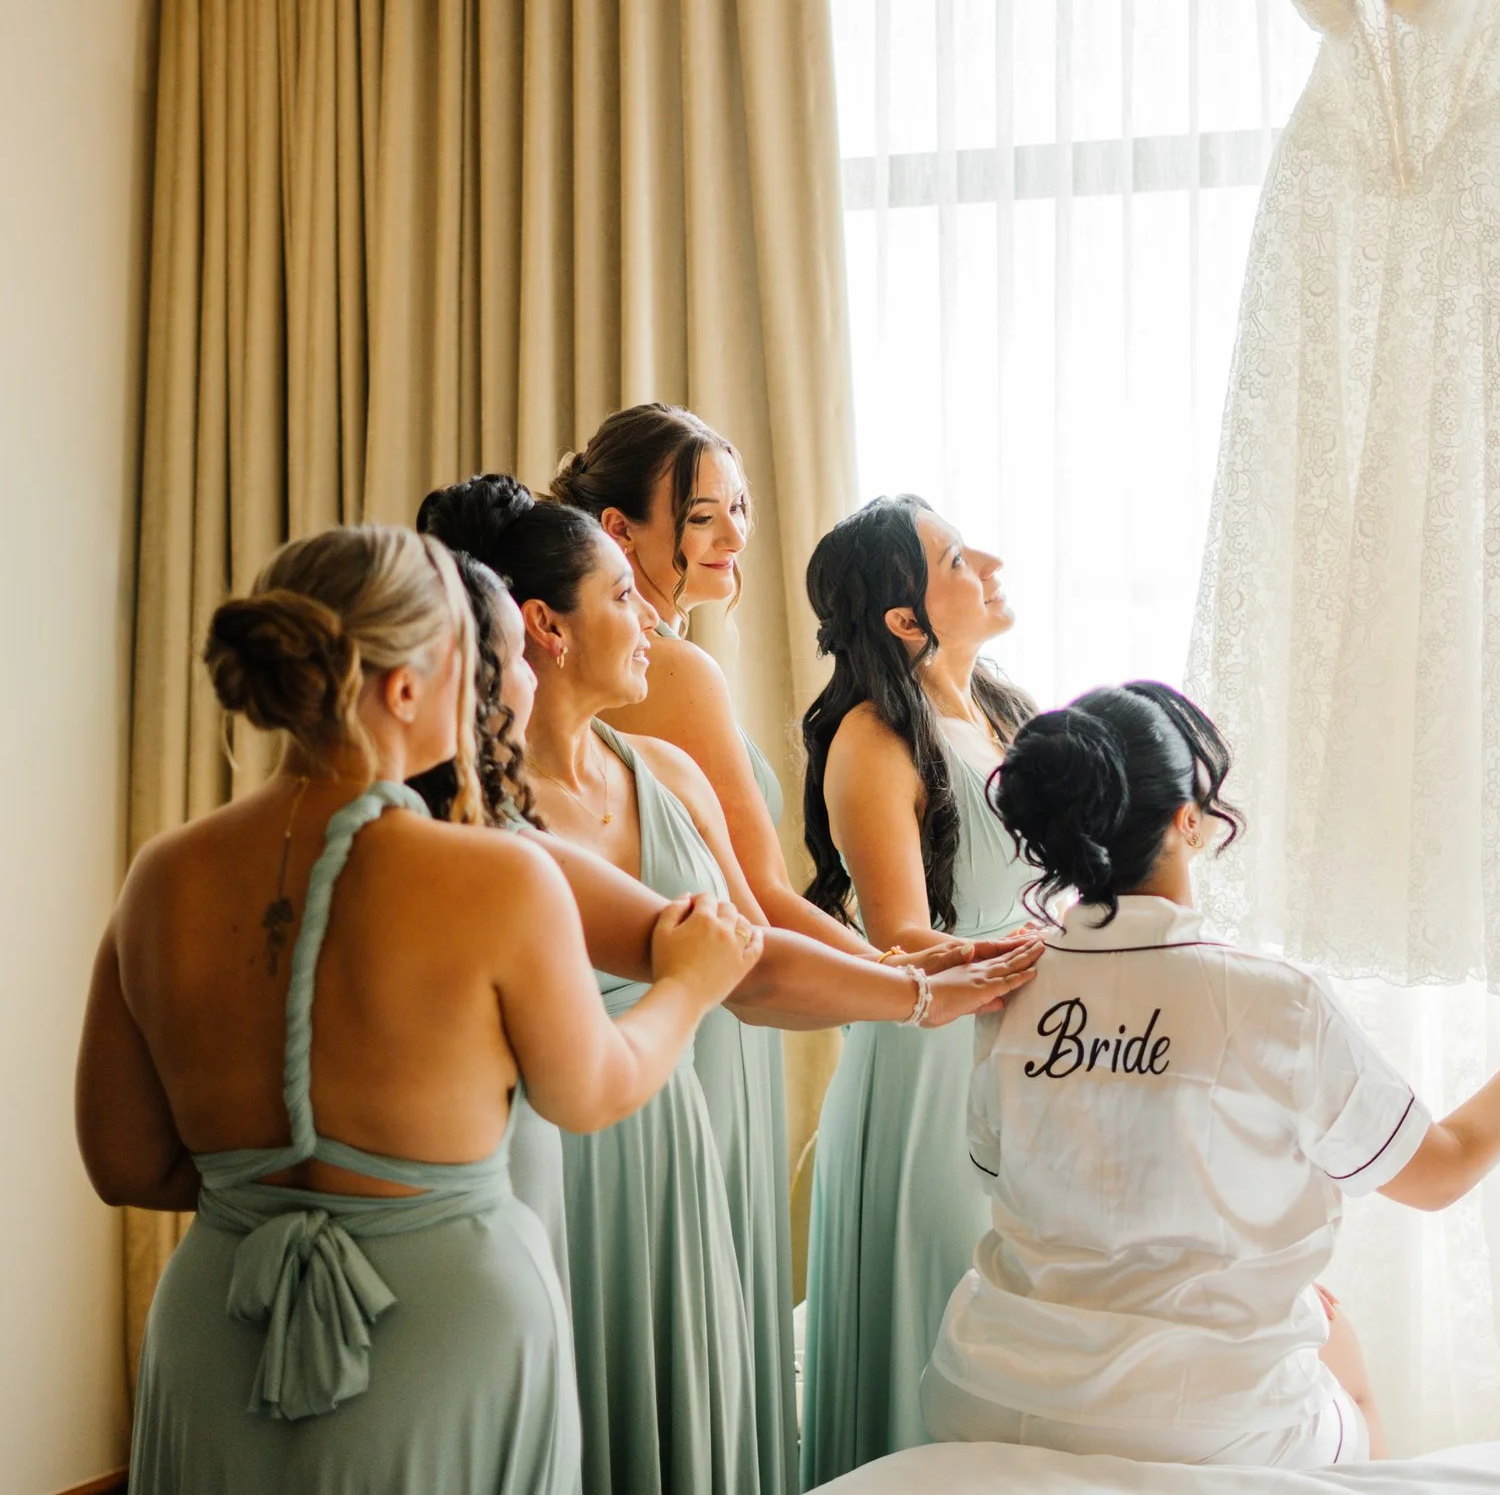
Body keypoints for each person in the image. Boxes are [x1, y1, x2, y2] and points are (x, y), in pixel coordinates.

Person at [77, 523, 757, 1495]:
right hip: (445, 1321)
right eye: (472, 662)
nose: (490, 686)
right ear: (403, 688)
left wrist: (280, 1191)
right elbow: (591, 1090)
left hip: (222, 1314)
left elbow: (124, 1162)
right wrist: (689, 984)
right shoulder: (498, 877)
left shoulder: (162, 877)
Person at [417, 481, 1041, 1495]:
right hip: (539, 1153)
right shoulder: (477, 825)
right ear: (546, 628)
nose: (653, 623)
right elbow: (713, 960)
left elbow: (753, 953)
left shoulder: (668, 771)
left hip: (671, 1149)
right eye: (625, 596)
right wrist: (913, 980)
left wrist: (913, 979)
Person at [923, 682, 1500, 1467]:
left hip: (988, 1390)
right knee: (1349, 1367)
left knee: (1320, 1320)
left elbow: (1018, 1178)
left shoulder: (1009, 985)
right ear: (1188, 822)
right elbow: (1444, 1170)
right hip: (1199, 1423)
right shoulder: (1269, 1001)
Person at [551, 406, 876, 1494]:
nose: (735, 533)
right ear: (619, 527)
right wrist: (906, 978)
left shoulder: (653, 665)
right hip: (687, 1012)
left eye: (739, 506)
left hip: (683, 997)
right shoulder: (674, 674)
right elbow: (765, 899)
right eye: (702, 514)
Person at [796, 495, 1042, 1484]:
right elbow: (896, 935)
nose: (985, 555)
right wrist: (1018, 959)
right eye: (950, 556)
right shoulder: (873, 737)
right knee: (949, 1300)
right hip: (935, 1062)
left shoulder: (1007, 717)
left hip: (1027, 1044)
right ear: (905, 620)